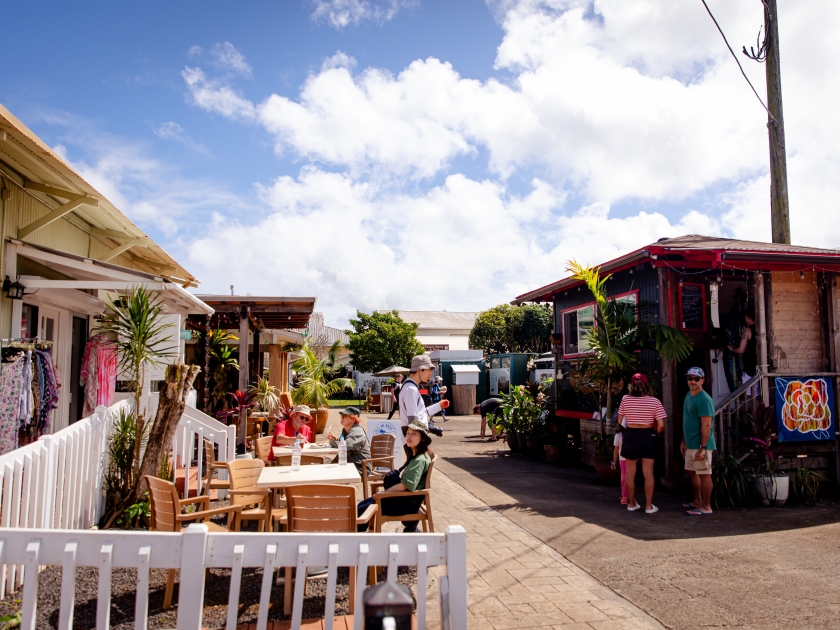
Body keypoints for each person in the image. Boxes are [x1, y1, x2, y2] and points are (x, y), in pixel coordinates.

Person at [356, 421, 433, 532]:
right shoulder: (417, 454)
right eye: (408, 433)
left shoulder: (420, 459)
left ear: (423, 439)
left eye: (414, 434)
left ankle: (357, 538)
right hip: (404, 500)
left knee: (362, 510)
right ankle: (360, 535)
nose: (409, 436)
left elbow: (405, 486)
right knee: (362, 505)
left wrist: (382, 494)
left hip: (406, 504)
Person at [617, 373, 667, 514]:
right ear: (646, 385)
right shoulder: (655, 401)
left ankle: (632, 503)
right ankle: (649, 506)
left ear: (631, 385)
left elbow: (620, 421)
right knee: (648, 472)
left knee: (630, 473)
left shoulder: (625, 399)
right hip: (648, 435)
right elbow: (661, 424)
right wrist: (654, 433)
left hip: (631, 434)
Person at [681, 367, 716, 515]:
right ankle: (697, 500)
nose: (693, 381)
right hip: (690, 443)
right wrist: (684, 440)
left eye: (696, 379)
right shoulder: (688, 395)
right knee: (691, 471)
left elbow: (706, 425)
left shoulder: (704, 399)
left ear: (702, 380)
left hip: (701, 444)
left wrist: (703, 446)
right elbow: (687, 420)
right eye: (690, 378)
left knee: (704, 473)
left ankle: (706, 506)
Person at [400, 355, 449, 437]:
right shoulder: (411, 389)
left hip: (415, 440)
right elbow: (413, 421)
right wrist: (420, 445)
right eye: (429, 370)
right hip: (416, 442)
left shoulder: (409, 387)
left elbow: (421, 413)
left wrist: (438, 406)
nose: (430, 374)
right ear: (420, 371)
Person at [328, 406, 371, 473]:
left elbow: (347, 445)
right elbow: (345, 442)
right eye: (341, 416)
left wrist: (333, 442)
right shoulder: (346, 430)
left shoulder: (357, 431)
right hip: (350, 464)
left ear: (353, 419)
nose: (342, 418)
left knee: (329, 471)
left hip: (360, 467)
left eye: (344, 416)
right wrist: (336, 439)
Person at [727, 308, 757, 380]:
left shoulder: (747, 330)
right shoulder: (764, 328)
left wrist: (732, 348)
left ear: (748, 317)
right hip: (762, 367)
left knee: (749, 390)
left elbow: (741, 350)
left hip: (750, 367)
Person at [611, 419, 628, 505]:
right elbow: (616, 450)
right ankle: (625, 496)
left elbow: (616, 450)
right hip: (625, 459)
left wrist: (614, 462)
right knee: (625, 478)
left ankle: (627, 496)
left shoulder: (618, 436)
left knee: (625, 478)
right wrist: (614, 462)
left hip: (626, 459)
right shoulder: (618, 436)